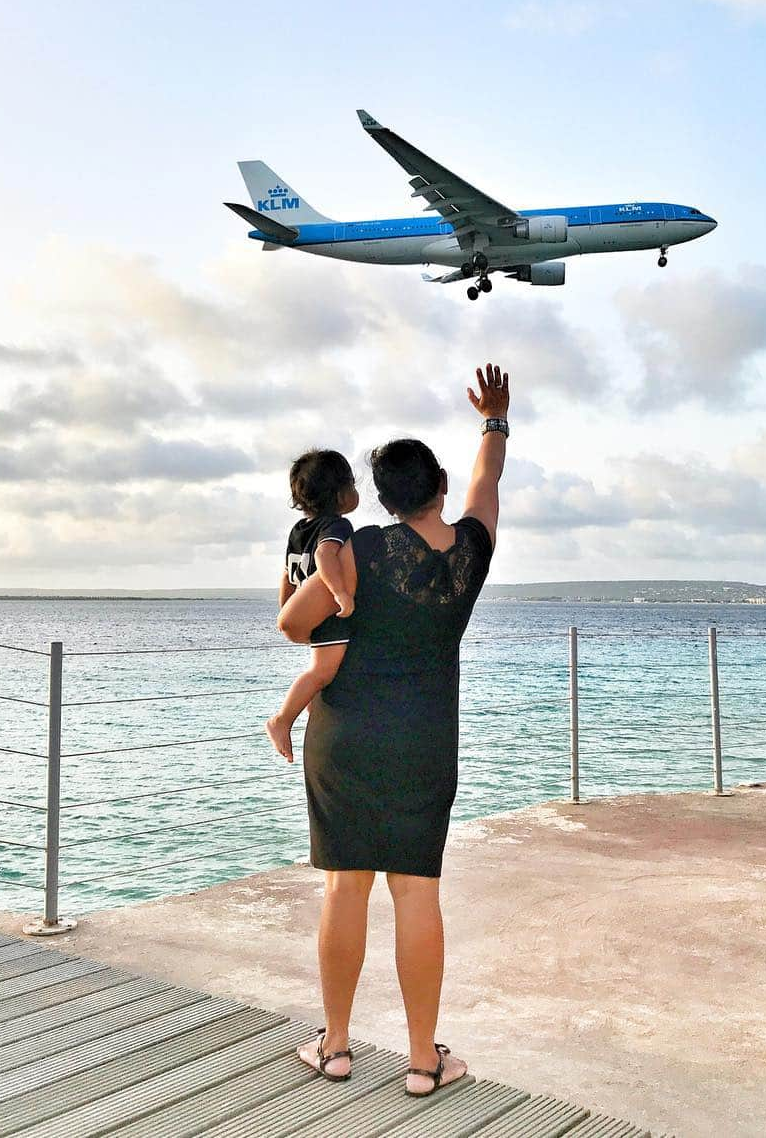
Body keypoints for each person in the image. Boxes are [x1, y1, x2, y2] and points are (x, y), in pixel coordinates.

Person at [277, 363, 509, 1097]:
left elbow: (293, 623)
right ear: (438, 485)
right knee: (417, 892)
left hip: (344, 736)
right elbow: (488, 481)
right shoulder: (471, 551)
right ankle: (420, 1062)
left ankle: (337, 1048)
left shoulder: (361, 550)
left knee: (346, 888)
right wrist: (494, 418)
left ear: (379, 499)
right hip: (425, 743)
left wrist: (331, 603)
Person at [265, 449, 359, 765]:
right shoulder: (337, 527)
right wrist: (341, 594)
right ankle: (282, 719)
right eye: (353, 485)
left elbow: (288, 572)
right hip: (329, 615)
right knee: (322, 671)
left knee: (320, 671)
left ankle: (310, 703)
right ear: (340, 495)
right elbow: (324, 557)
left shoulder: (298, 530)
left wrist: (286, 608)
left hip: (310, 614)